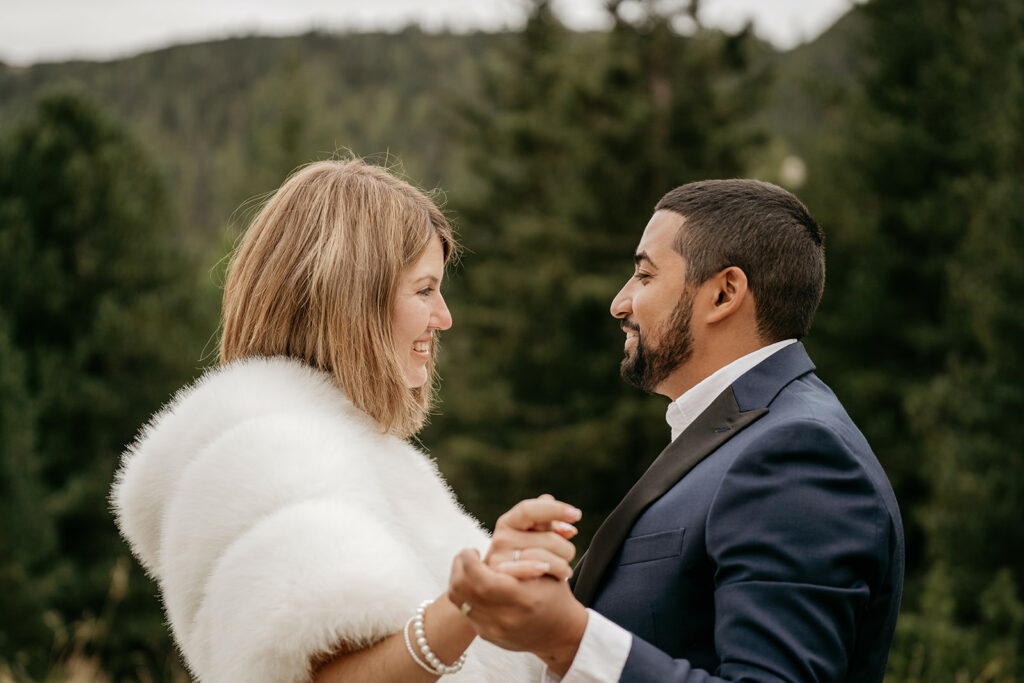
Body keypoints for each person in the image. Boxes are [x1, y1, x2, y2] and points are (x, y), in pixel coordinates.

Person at [110, 158, 580, 682]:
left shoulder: (342, 448)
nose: (444, 317)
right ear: (353, 299)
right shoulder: (271, 458)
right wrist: (468, 606)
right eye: (425, 290)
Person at [449, 179, 905, 682]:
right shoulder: (740, 435)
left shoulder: (799, 454)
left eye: (644, 275)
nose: (619, 303)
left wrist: (569, 637)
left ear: (724, 294)